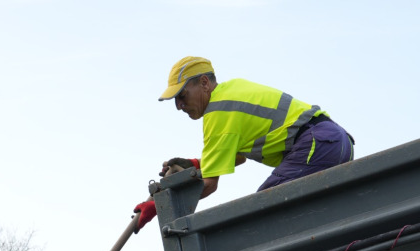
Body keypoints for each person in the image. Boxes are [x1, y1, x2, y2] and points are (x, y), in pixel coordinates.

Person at [135, 56, 354, 231]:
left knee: (263, 212)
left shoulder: (218, 111)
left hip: (317, 144)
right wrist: (194, 164)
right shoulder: (231, 91)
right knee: (301, 216)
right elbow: (237, 157)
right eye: (175, 100)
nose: (179, 105)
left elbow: (210, 184)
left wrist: (159, 206)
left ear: (204, 83)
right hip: (332, 141)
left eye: (182, 95)